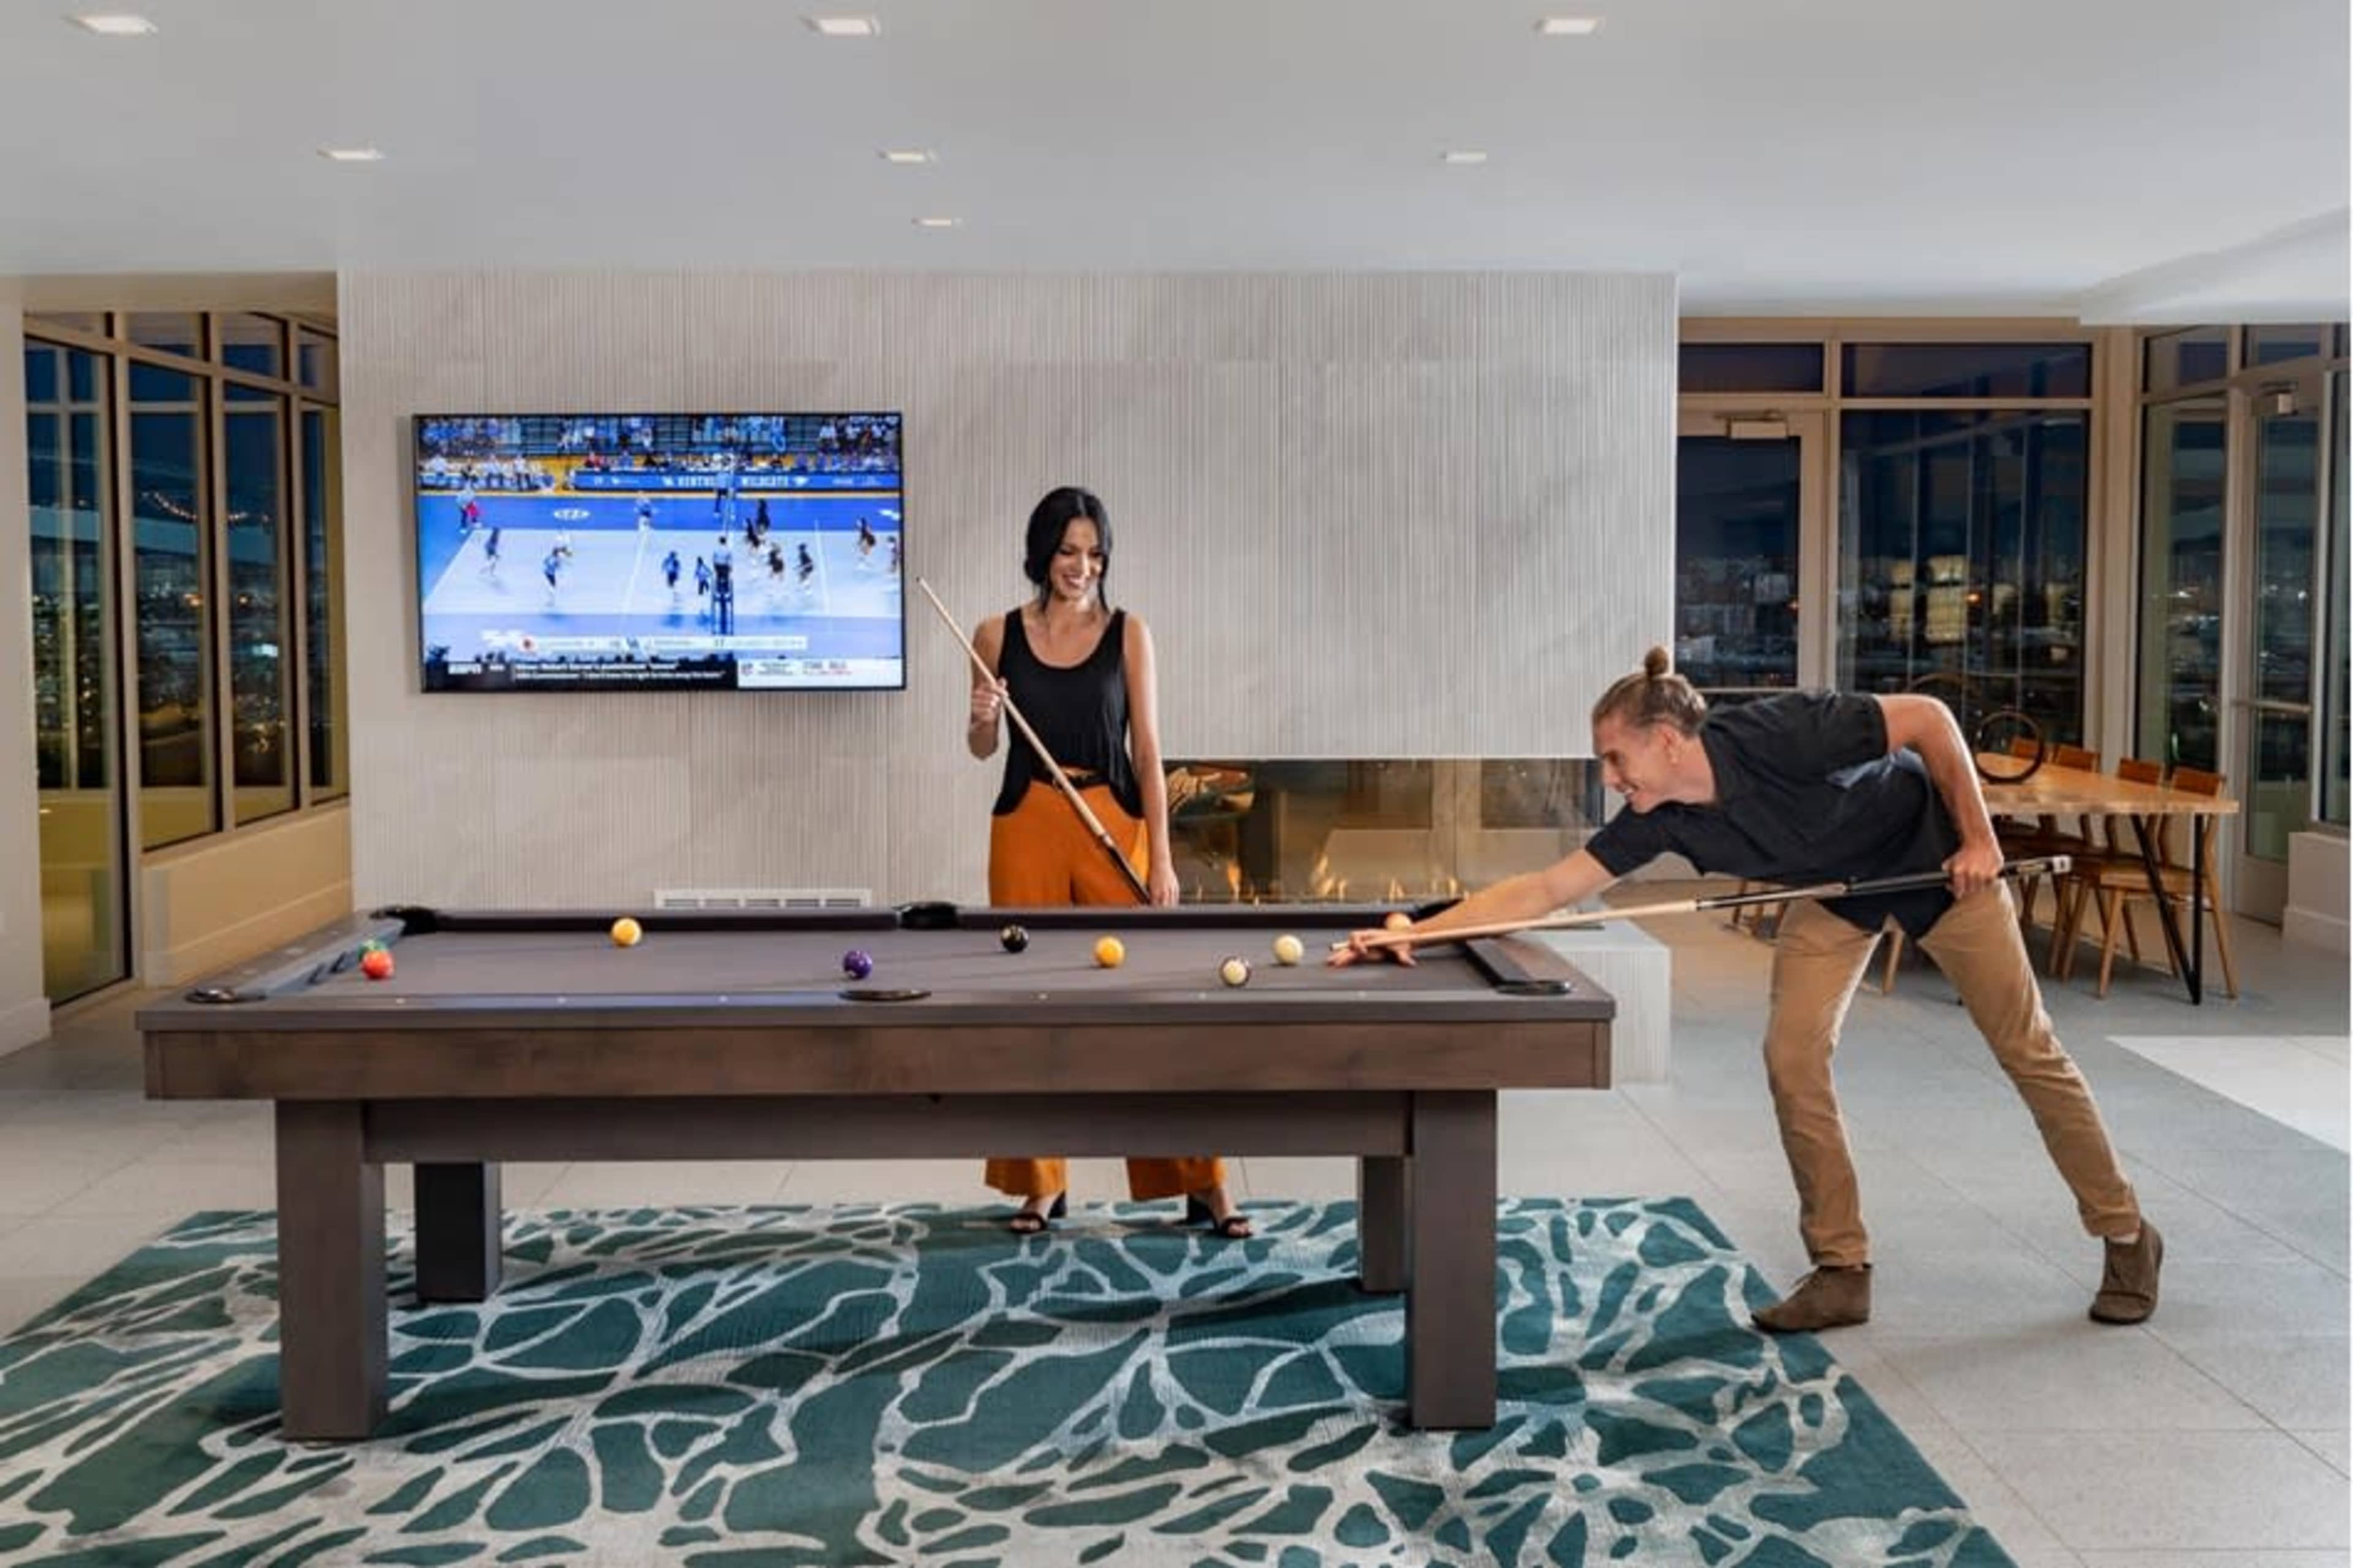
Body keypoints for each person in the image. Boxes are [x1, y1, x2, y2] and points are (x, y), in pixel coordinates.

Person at [1336, 648, 2161, 1333]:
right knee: (1791, 1055)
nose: (1611, 778)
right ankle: (1842, 1266)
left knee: (2026, 1049)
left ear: (1664, 740)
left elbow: (1929, 720)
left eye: (1616, 758)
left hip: (1940, 864)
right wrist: (1423, 929)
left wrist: (1980, 836)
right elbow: (1550, 887)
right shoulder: (1663, 816)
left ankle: (2125, 1231)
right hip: (1839, 889)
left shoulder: (1785, 730)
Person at [967, 485, 1249, 1240]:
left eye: (1095, 554)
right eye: (1068, 552)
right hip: (1026, 826)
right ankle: (1040, 1186)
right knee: (1029, 1008)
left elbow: (1149, 751)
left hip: (1111, 822)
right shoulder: (995, 634)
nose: (1082, 567)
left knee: (1148, 1005)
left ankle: (1202, 1182)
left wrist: (1162, 856)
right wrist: (981, 718)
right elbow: (982, 748)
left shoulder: (1131, 634)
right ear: (1042, 553)